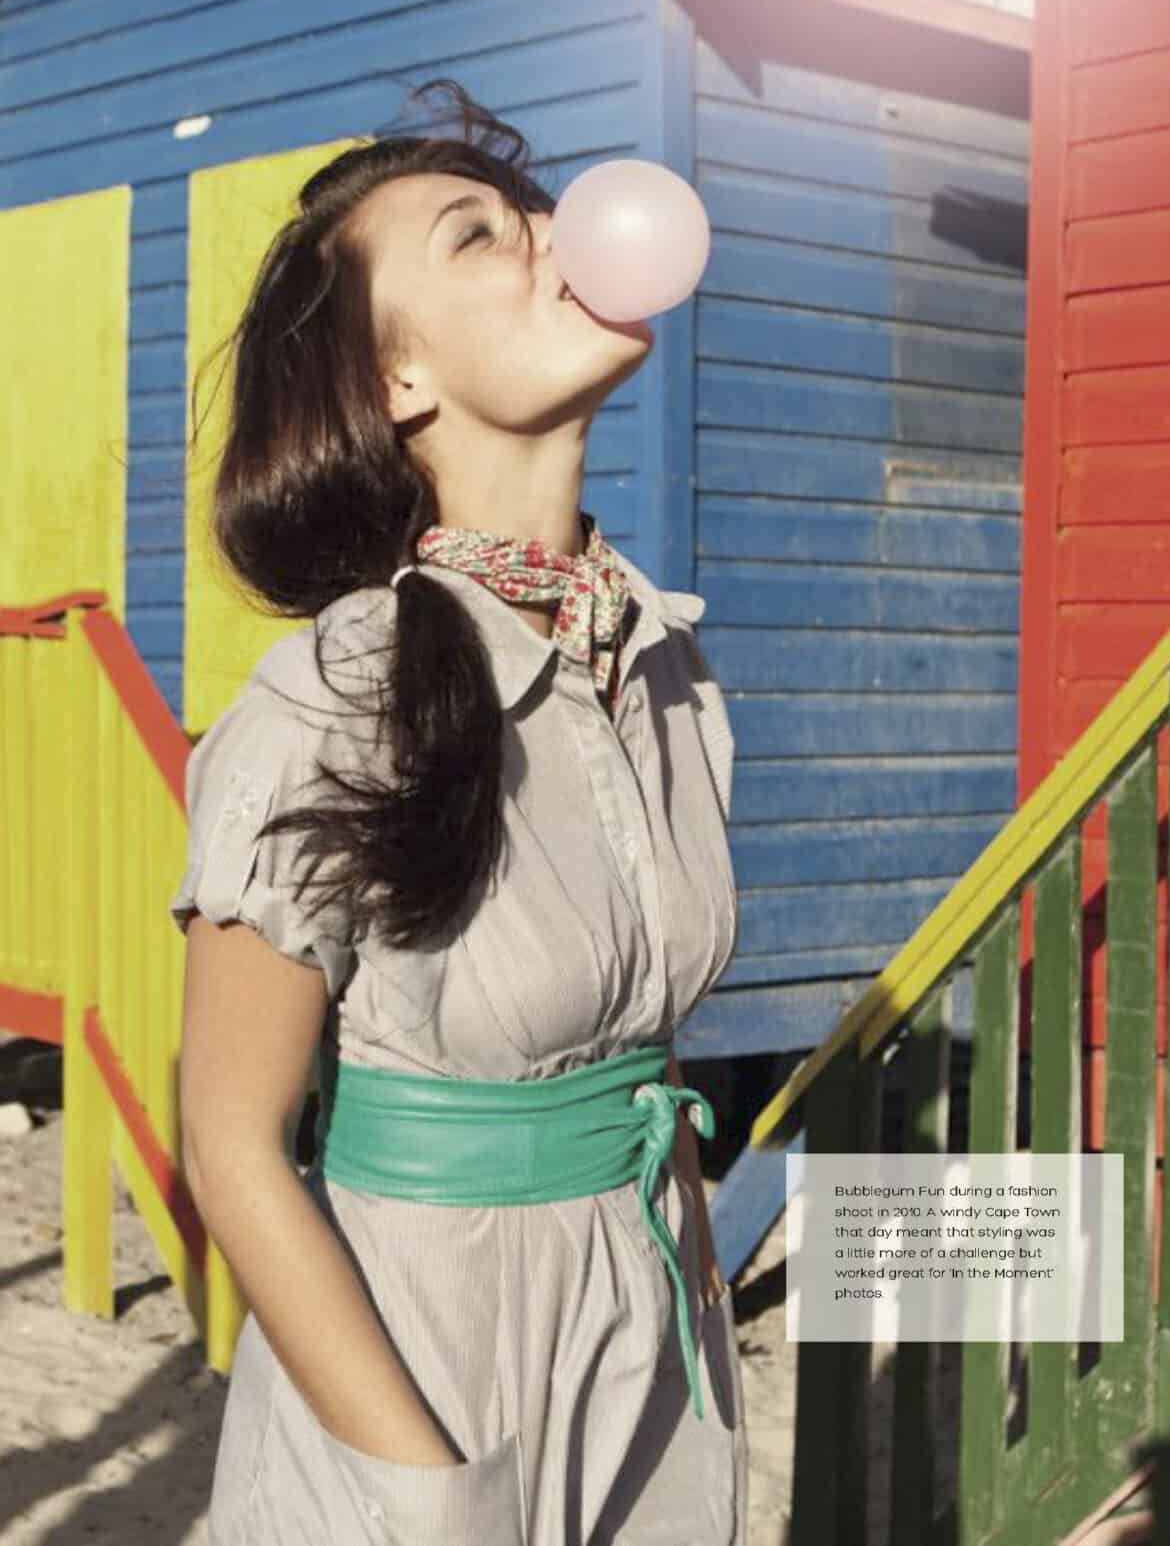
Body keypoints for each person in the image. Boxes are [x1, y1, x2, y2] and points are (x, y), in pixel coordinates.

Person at [172, 79, 745, 1544]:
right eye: (479, 236)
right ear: (396, 382)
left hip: (647, 1359)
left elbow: (646, 1061)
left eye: (536, 210)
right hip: (416, 1390)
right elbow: (232, 1144)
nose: (560, 240)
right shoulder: (329, 702)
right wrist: (425, 1489)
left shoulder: (661, 657)